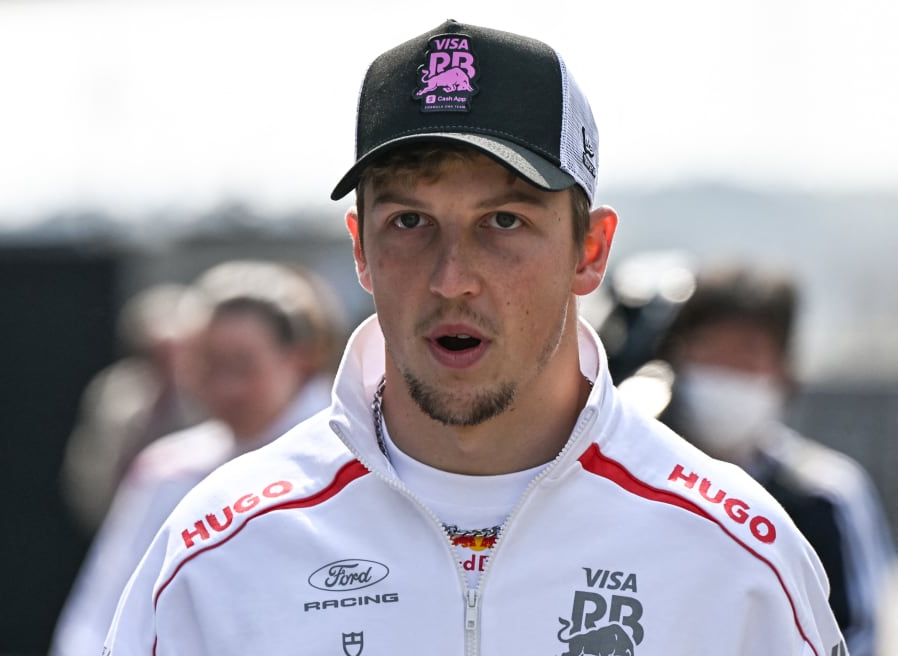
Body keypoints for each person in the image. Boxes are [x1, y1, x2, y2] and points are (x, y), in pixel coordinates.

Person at [104, 20, 846, 655]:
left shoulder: (736, 558)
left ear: (590, 250)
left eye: (504, 222)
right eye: (410, 223)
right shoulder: (218, 554)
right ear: (361, 249)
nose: (452, 278)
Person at [50, 260, 344, 656]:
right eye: (206, 365)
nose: (224, 386)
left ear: (301, 357)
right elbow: (99, 616)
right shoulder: (168, 471)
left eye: (242, 365)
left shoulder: (362, 456)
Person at [640, 262, 894, 656]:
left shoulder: (824, 495)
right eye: (711, 351)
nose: (726, 372)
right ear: (676, 357)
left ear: (783, 371)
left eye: (747, 355)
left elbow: (856, 634)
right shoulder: (635, 479)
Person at [59, 282, 204, 535]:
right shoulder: (116, 392)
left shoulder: (214, 390)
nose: (169, 362)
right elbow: (91, 468)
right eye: (157, 352)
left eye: (176, 351)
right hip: (128, 522)